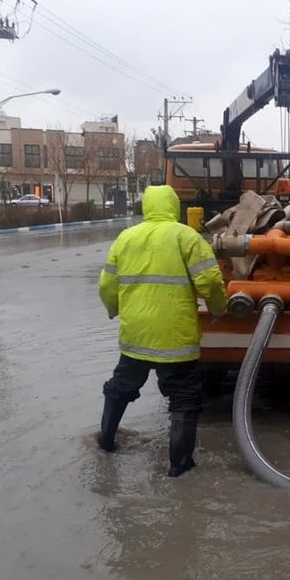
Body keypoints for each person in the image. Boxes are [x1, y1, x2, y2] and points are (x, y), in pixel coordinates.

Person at [98, 185, 227, 477]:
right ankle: (179, 467)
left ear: (145, 207)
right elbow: (210, 282)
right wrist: (219, 310)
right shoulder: (187, 237)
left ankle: (105, 442)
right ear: (174, 207)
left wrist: (114, 310)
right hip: (176, 340)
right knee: (183, 398)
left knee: (120, 388)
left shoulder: (126, 238)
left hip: (135, 338)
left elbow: (107, 285)